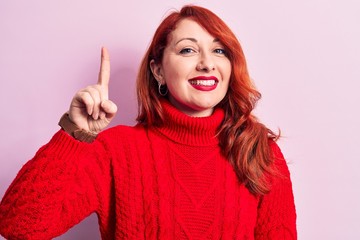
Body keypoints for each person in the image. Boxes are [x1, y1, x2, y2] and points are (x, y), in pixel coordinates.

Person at [0, 5, 297, 240]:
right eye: (187, 49)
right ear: (157, 70)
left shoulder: (260, 151)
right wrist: (74, 134)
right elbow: (19, 227)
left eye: (219, 50)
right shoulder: (116, 151)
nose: (207, 62)